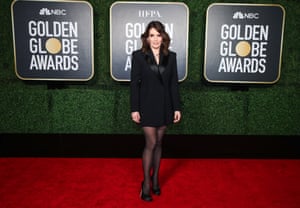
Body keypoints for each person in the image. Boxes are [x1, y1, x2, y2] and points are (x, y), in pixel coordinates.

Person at [130, 20, 182, 202]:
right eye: (152, 35)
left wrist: (176, 107)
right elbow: (134, 85)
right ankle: (145, 184)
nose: (155, 39)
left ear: (163, 37)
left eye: (158, 35)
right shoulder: (138, 56)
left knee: (159, 143)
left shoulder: (172, 57)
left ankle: (155, 179)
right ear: (147, 38)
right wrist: (134, 108)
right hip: (146, 105)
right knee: (151, 142)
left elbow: (173, 84)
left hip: (165, 105)